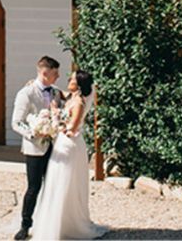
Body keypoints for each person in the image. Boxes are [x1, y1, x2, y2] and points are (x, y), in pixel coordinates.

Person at [30, 70, 107, 241]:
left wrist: (54, 123)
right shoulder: (71, 97)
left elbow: (73, 127)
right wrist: (36, 84)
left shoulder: (79, 102)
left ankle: (68, 225)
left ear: (78, 84)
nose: (68, 79)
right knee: (56, 182)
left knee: (65, 183)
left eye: (71, 78)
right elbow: (57, 91)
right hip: (62, 144)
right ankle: (55, 222)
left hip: (70, 145)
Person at [11, 56, 63, 241]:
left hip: (55, 147)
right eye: (55, 73)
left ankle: (49, 224)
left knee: (53, 186)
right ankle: (25, 225)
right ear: (44, 73)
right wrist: (35, 133)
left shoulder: (56, 93)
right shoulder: (26, 93)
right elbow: (16, 123)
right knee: (34, 187)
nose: (58, 76)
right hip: (34, 148)